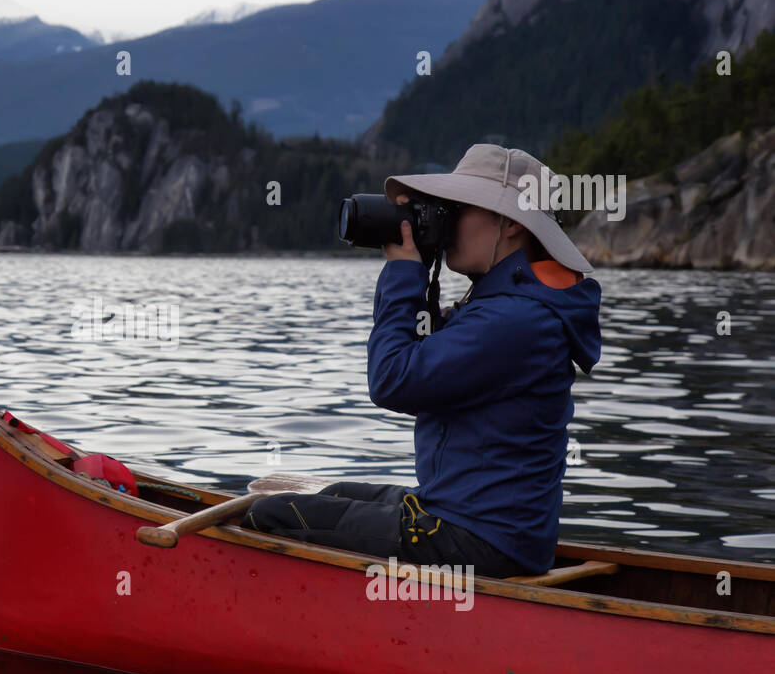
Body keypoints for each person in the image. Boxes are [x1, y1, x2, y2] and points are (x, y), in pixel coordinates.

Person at [242, 144, 602, 578]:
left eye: (459, 209)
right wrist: (420, 268)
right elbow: (423, 355)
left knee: (274, 516)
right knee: (334, 493)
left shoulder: (515, 319)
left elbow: (393, 379)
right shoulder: (505, 303)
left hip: (477, 539)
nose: (447, 222)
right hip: (479, 524)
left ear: (509, 222)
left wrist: (404, 274)